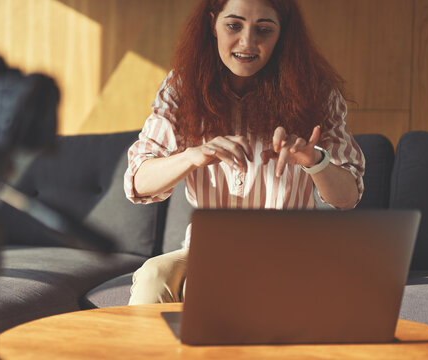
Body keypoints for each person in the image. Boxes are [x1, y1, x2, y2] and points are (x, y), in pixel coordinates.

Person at [124, 0, 365, 305]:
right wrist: (192, 156)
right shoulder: (181, 87)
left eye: (264, 30)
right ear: (213, 23)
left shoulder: (317, 92)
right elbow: (136, 182)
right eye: (234, 25)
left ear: (283, 35)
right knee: (152, 275)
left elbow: (348, 197)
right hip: (206, 252)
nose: (247, 42)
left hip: (288, 255)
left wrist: (312, 160)